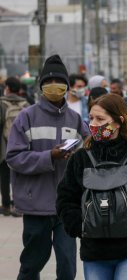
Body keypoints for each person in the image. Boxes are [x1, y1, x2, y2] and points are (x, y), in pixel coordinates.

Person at [57, 93, 127, 280]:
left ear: (118, 121)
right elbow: (65, 198)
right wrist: (79, 226)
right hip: (94, 252)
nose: (94, 124)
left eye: (100, 119)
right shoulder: (80, 157)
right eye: (91, 118)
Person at [6, 54, 90, 280]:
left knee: (67, 265)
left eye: (59, 82)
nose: (54, 87)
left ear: (67, 87)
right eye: (49, 82)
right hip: (35, 205)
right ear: (41, 86)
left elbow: (90, 151)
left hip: (66, 205)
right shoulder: (26, 117)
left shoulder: (75, 119)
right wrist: (49, 156)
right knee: (32, 264)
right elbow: (13, 157)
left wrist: (77, 156)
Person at [0, 77, 29, 217]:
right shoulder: (26, 104)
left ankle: (6, 205)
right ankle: (19, 206)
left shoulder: (2, 104)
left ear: (8, 88)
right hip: (22, 147)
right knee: (20, 176)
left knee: (4, 176)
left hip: (5, 146)